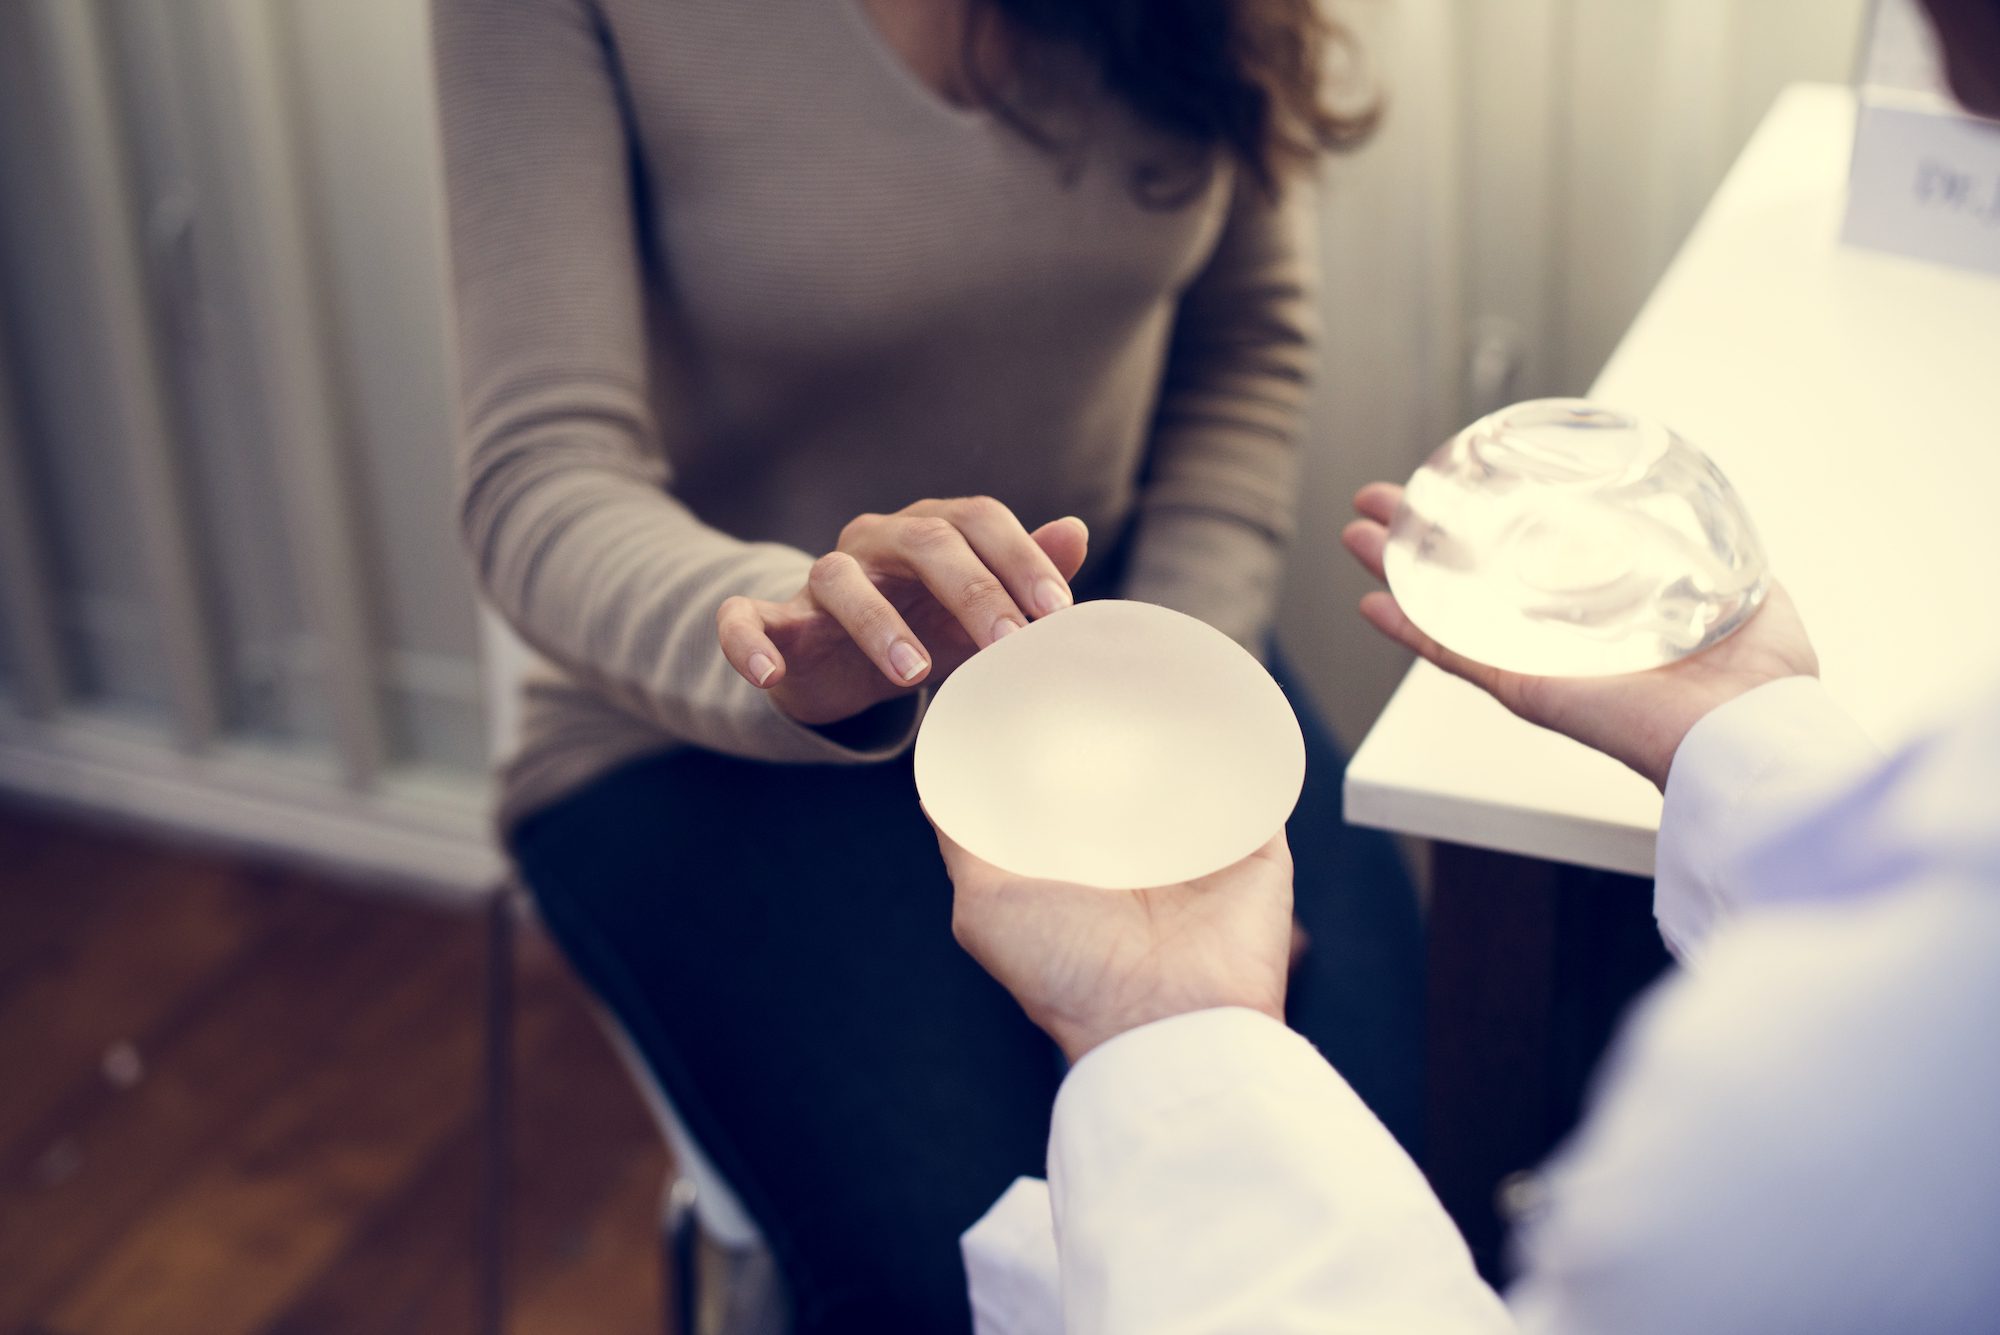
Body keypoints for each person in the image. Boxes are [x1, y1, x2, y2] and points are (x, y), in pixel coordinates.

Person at [945, 10, 2000, 1326]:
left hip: (1143, 666)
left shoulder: (1777, 1149)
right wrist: (1749, 729)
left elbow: (1248, 344)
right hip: (734, 722)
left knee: (1415, 1091)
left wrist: (1172, 1039)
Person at [431, 2, 1421, 1329]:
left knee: (1379, 1140)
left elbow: (1245, 344)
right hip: (710, 739)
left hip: (1107, 664)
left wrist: (1178, 711)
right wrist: (781, 632)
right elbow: (537, 480)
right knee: (974, 1274)